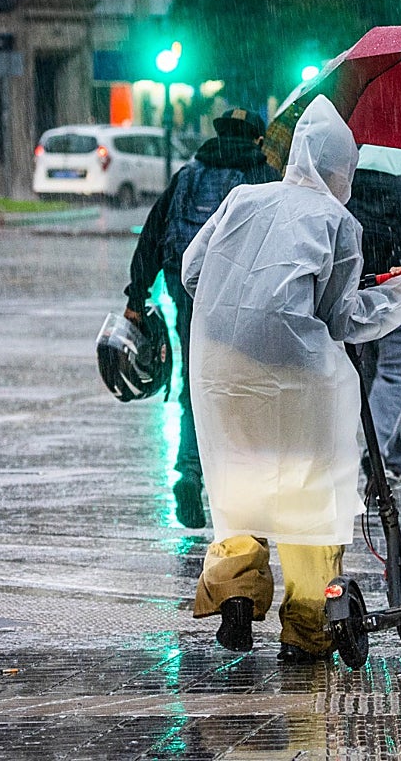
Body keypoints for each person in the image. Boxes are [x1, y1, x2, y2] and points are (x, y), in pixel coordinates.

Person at [180, 96, 401, 662]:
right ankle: (307, 626)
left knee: (240, 480)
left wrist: (237, 309)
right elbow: (343, 319)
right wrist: (399, 292)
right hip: (296, 375)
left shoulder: (242, 198)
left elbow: (194, 270)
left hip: (222, 368)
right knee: (306, 493)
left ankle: (236, 591)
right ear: (342, 168)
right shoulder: (340, 222)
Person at [123, 108, 280, 528]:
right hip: (242, 298)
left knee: (197, 381)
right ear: (257, 139)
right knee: (242, 386)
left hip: (189, 291)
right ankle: (236, 483)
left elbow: (154, 234)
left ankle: (189, 471)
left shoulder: (189, 175)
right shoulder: (264, 178)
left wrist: (136, 294)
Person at [346, 169, 401, 485]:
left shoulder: (355, 164)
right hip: (400, 277)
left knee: (368, 367)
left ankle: (390, 460)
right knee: (398, 370)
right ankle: (377, 450)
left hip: (359, 278)